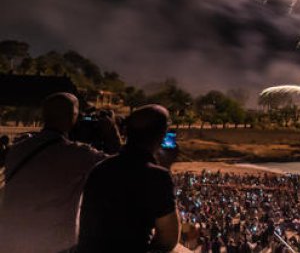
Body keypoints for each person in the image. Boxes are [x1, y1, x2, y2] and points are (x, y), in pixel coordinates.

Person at [0, 92, 112, 253]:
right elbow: (118, 166)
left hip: (10, 239)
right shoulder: (77, 153)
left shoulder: (17, 150)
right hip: (52, 243)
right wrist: (110, 132)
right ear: (73, 117)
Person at [76, 104, 180, 252]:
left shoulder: (100, 168)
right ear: (162, 135)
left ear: (126, 132)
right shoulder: (157, 177)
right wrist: (165, 169)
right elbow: (168, 240)